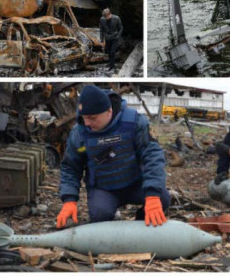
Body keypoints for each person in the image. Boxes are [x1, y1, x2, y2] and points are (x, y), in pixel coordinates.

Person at [56, 85, 170, 229]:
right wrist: (69, 200)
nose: (87, 123)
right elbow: (70, 167)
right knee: (99, 216)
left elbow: (153, 155)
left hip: (135, 183)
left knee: (163, 199)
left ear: (109, 111)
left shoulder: (134, 122)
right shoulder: (79, 133)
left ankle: (141, 223)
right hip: (105, 188)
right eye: (84, 118)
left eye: (92, 118)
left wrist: (152, 194)